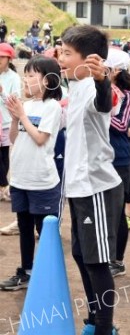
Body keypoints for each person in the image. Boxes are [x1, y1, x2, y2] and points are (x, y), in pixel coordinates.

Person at [58, 25, 122, 334]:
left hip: (96, 187)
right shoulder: (74, 86)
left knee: (97, 262)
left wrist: (102, 79)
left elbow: (104, 102)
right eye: (61, 51)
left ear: (90, 59)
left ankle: (104, 328)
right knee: (81, 255)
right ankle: (95, 319)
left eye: (67, 53)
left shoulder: (94, 86)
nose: (61, 58)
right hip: (79, 187)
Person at [0, 56, 62, 291]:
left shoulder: (52, 107)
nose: (26, 80)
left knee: (44, 231)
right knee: (24, 228)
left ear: (48, 81)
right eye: (25, 75)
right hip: (21, 179)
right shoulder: (27, 105)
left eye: (31, 76)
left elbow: (39, 139)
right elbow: (14, 138)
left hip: (42, 181)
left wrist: (22, 116)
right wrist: (16, 118)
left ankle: (49, 276)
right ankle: (26, 272)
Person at [105, 49, 130, 278]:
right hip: (102, 157)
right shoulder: (100, 90)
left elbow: (122, 124)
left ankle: (118, 260)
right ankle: (107, 256)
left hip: (120, 158)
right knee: (105, 211)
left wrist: (102, 113)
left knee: (117, 213)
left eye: (107, 69)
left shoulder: (128, 95)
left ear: (115, 71)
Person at [0, 43, 22, 201]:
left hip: (7, 121)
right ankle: (3, 184)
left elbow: (15, 100)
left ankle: (2, 187)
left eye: (2, 57)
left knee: (4, 155)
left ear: (9, 59)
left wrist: (2, 92)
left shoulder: (14, 78)